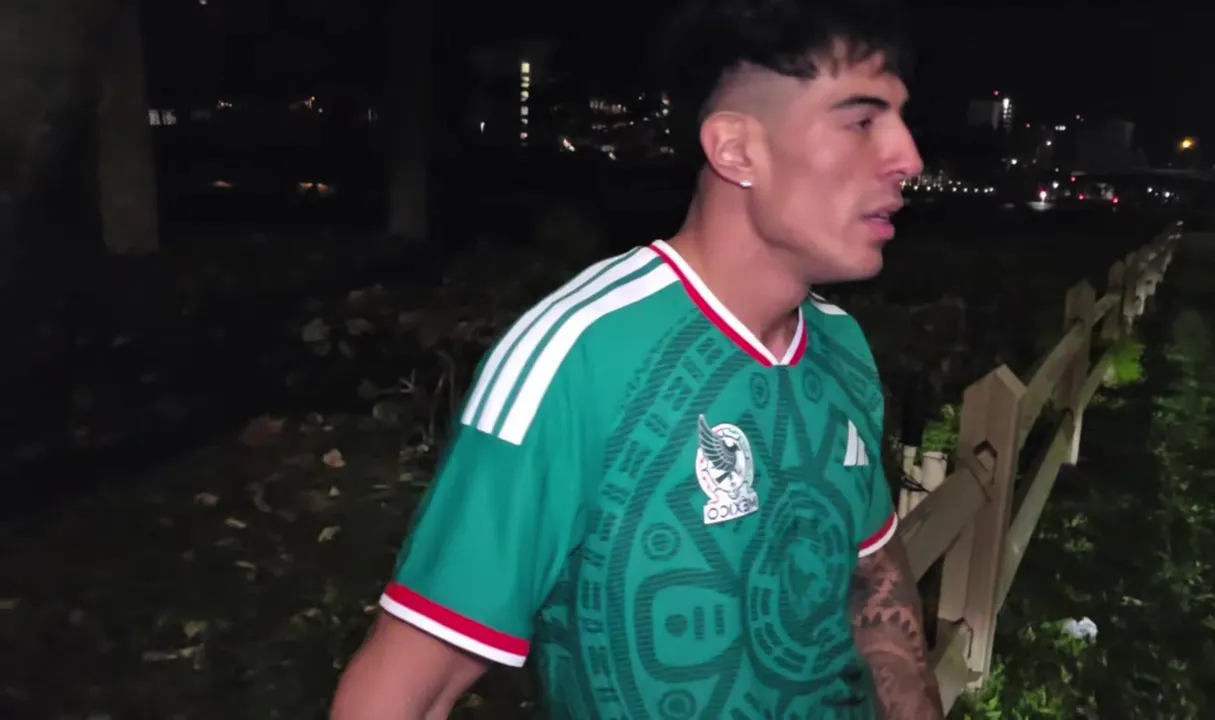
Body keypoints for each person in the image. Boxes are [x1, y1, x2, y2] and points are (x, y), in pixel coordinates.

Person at [330, 0, 940, 716]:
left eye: (900, 119)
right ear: (737, 150)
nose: (908, 158)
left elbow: (873, 583)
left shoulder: (841, 345)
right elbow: (405, 687)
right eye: (862, 121)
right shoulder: (578, 355)